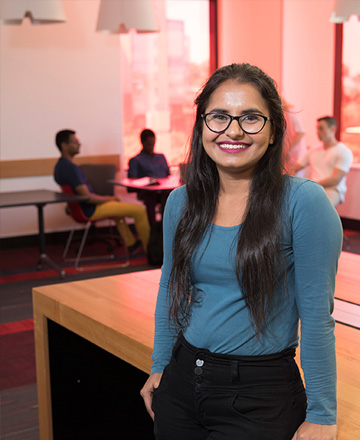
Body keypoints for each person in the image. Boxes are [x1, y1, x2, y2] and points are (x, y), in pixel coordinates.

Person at [140, 63, 341, 440]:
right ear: (201, 125)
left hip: (259, 395)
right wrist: (160, 363)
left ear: (274, 129)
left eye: (251, 118)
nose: (232, 131)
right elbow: (171, 287)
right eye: (218, 117)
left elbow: (317, 317)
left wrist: (322, 414)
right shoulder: (181, 202)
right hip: (182, 382)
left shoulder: (303, 202)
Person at [54, 129, 150, 254]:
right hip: (89, 210)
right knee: (140, 211)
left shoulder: (59, 166)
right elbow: (88, 198)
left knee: (119, 209)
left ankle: (131, 244)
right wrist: (109, 198)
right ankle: (151, 249)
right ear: (64, 145)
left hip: (79, 209)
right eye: (74, 141)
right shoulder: (71, 169)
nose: (79, 143)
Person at [291, 116, 353, 207]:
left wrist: (312, 185)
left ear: (332, 129)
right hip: (313, 188)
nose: (318, 132)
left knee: (321, 208)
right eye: (317, 129)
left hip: (332, 189)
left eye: (321, 129)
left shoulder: (344, 152)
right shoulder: (313, 151)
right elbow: (296, 167)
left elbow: (336, 179)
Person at [128, 129, 170, 225]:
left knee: (175, 197)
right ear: (142, 142)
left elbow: (169, 176)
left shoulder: (161, 157)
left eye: (153, 144)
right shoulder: (135, 160)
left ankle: (170, 227)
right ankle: (154, 231)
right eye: (149, 144)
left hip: (165, 191)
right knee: (150, 198)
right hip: (148, 193)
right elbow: (131, 184)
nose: (152, 147)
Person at [282, 98, 307, 177]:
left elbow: (300, 132)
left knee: (295, 178)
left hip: (296, 153)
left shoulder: (291, 113)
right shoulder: (284, 114)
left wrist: (289, 148)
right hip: (289, 153)